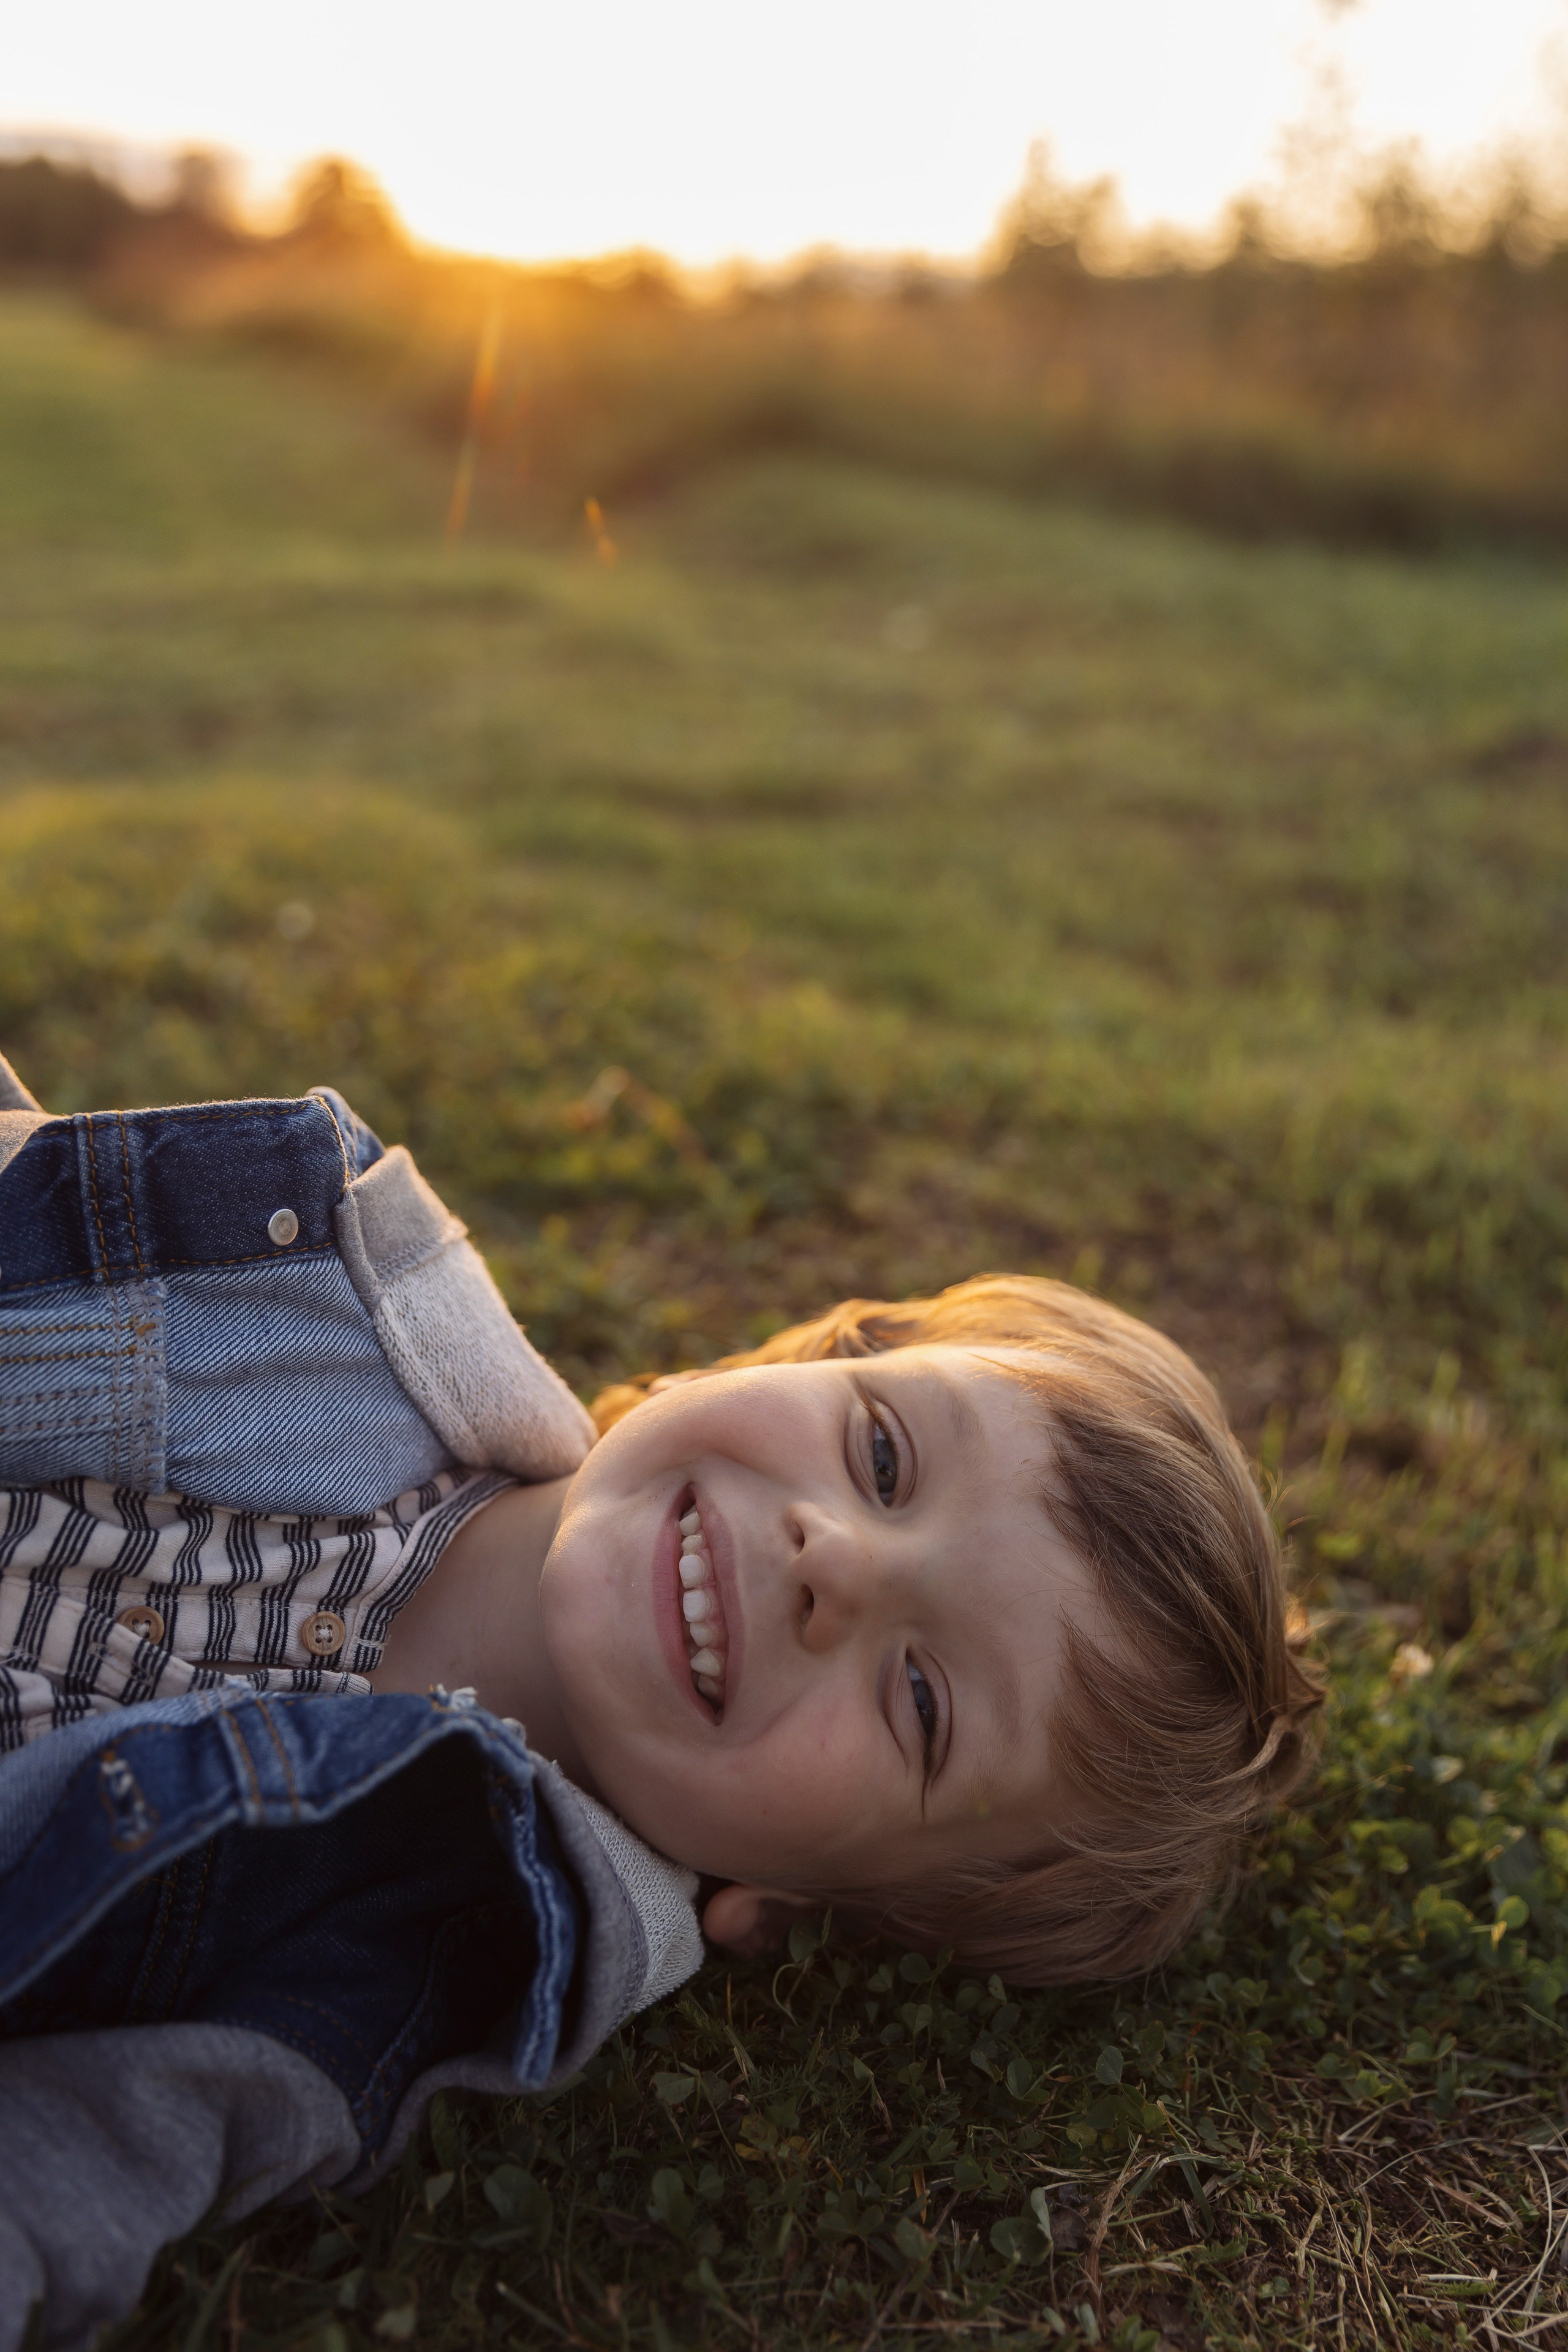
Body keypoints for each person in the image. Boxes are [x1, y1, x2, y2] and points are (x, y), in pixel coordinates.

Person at [0, 1058, 1320, 2348]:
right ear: (766, 1365)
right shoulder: (310, 1284)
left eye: (920, 1699)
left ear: (791, 1904)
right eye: (879, 1455)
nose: (837, 1566)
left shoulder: (435, 1943)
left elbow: (72, 2163)